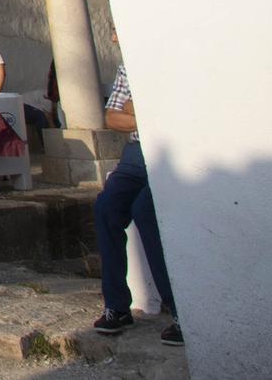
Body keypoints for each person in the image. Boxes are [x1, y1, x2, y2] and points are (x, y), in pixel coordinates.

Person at [92, 35, 182, 348]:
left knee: (145, 209)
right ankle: (117, 307)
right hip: (136, 152)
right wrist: (141, 111)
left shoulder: (170, 60)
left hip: (169, 150)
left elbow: (168, 113)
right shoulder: (127, 66)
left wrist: (135, 109)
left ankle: (179, 310)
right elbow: (112, 116)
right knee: (106, 208)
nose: (114, 36)